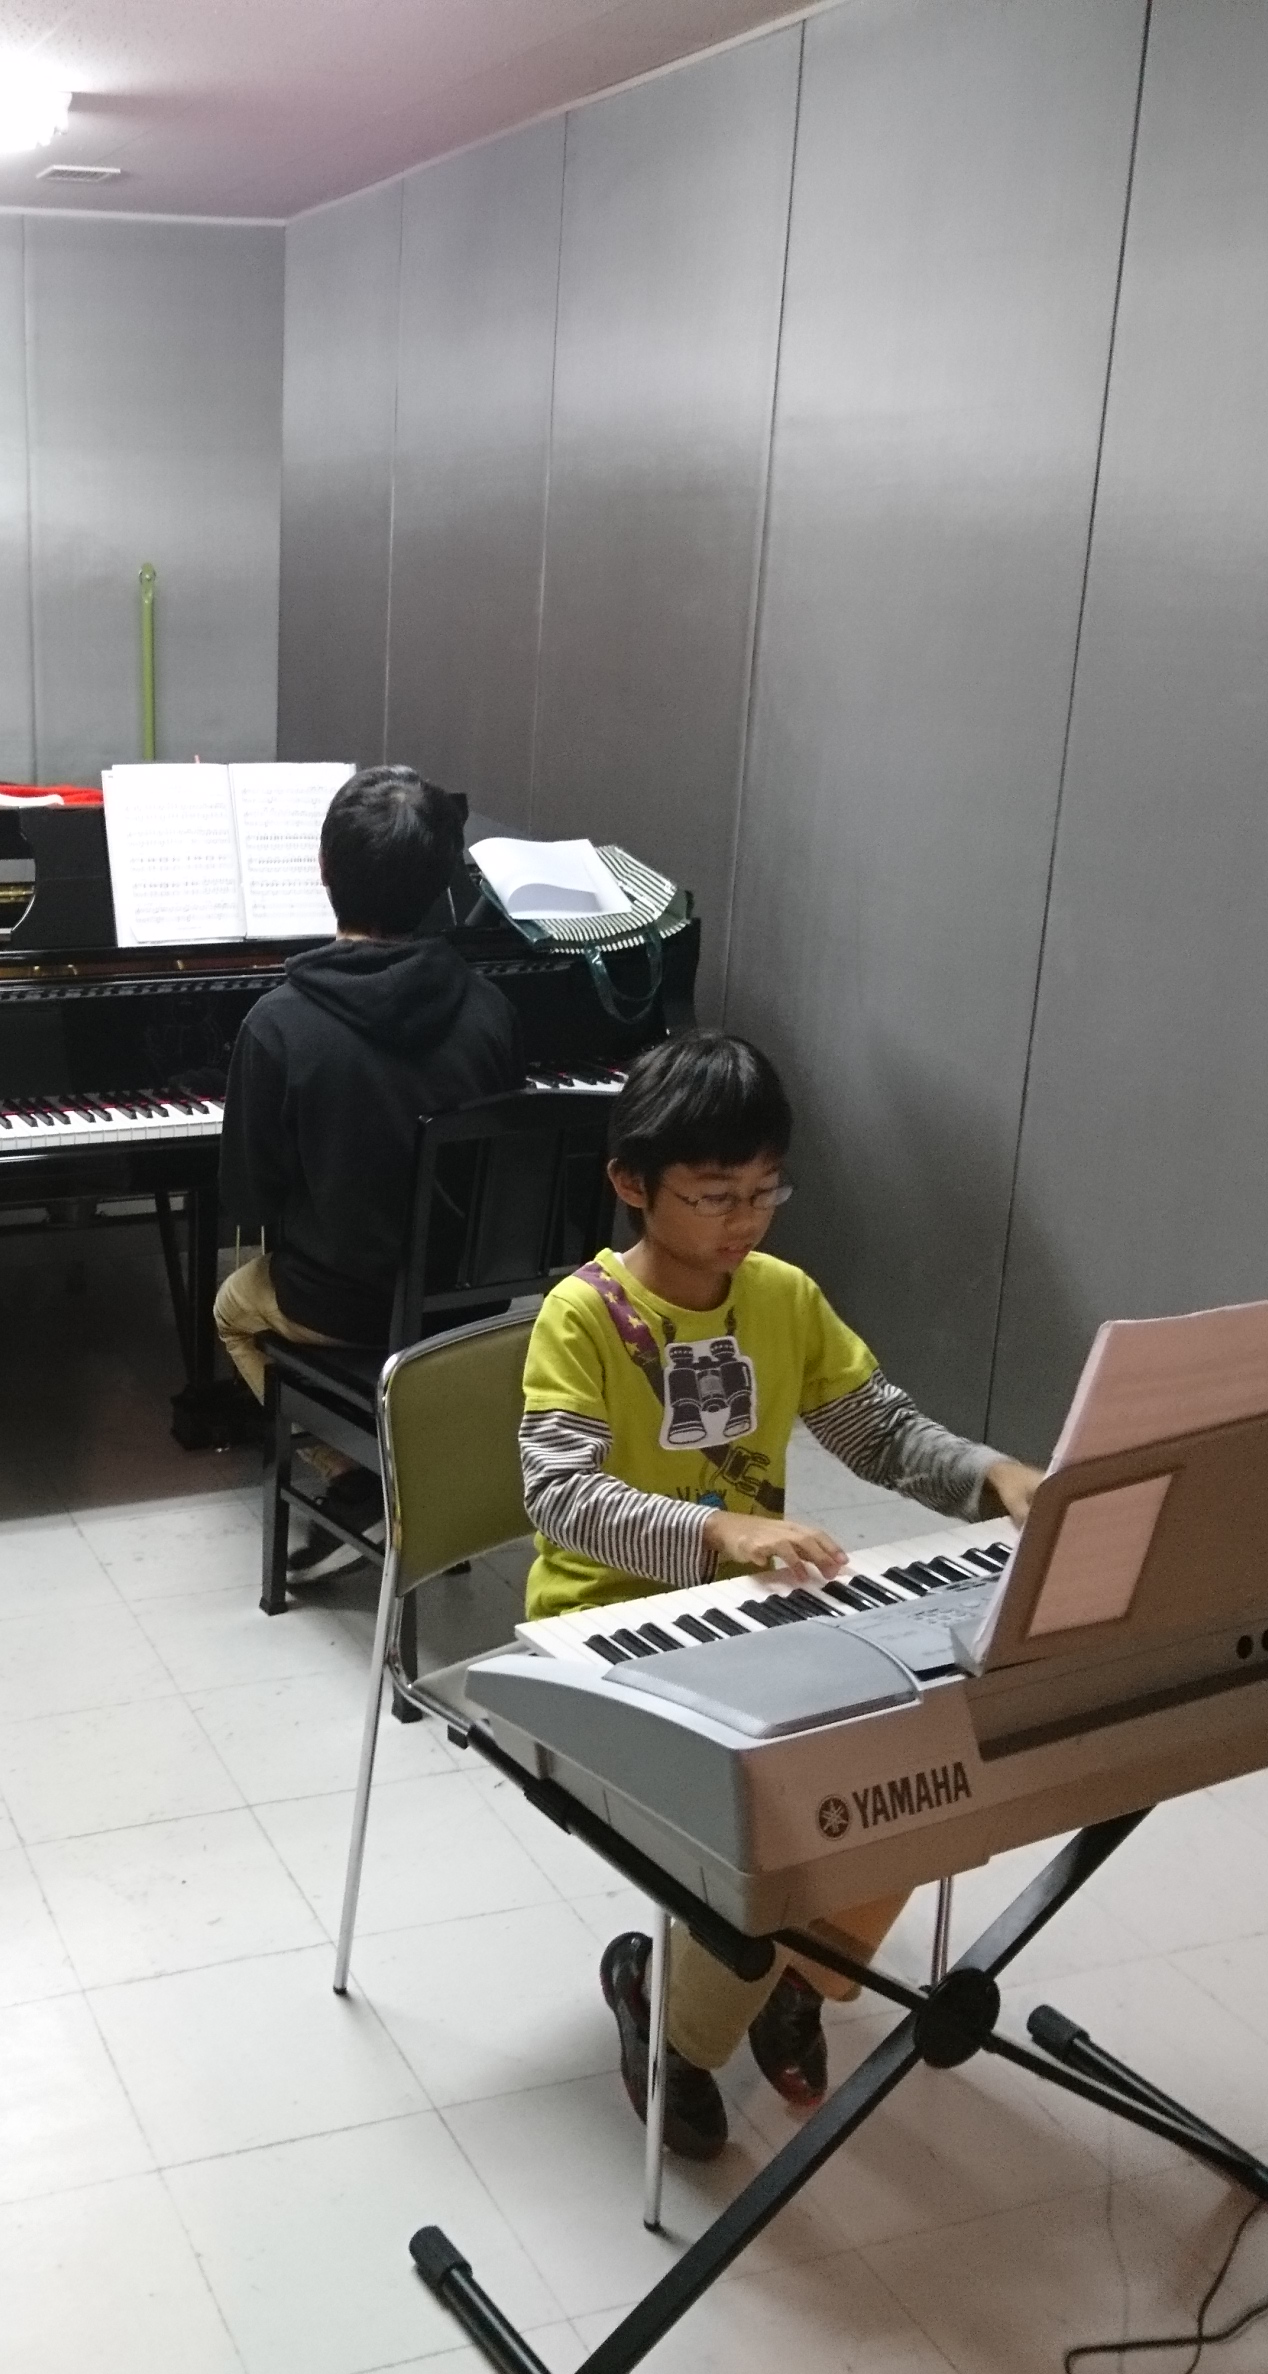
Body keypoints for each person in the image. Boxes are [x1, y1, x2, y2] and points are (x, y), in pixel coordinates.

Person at [518, 1030, 1043, 2159]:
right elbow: (562, 1498)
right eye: (715, 1195)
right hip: (608, 1626)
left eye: (765, 1192)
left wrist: (993, 1474)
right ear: (631, 1184)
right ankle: (673, 2019)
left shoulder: (782, 1298)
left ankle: (797, 1973)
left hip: (752, 1613)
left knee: (921, 1764)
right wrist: (720, 1530)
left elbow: (879, 1432)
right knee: (778, 1799)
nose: (744, 1220)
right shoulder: (582, 1315)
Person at [216, 766, 520, 1566]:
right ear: (444, 883)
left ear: (323, 870)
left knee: (231, 1310)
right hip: (465, 1305)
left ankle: (353, 1468)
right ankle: (414, 1454)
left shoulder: (278, 1022)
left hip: (338, 1305)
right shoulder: (491, 1009)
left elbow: (249, 1197)